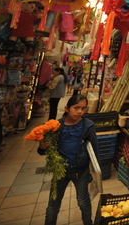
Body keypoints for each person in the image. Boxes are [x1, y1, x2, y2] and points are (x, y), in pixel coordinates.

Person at [38, 95, 99, 225]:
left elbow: (94, 150)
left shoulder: (88, 126)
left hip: (80, 171)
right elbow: (46, 149)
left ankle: (88, 223)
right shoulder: (56, 126)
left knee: (83, 202)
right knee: (53, 204)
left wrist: (96, 172)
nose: (80, 112)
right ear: (67, 108)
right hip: (60, 171)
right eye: (76, 108)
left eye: (83, 108)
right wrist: (42, 148)